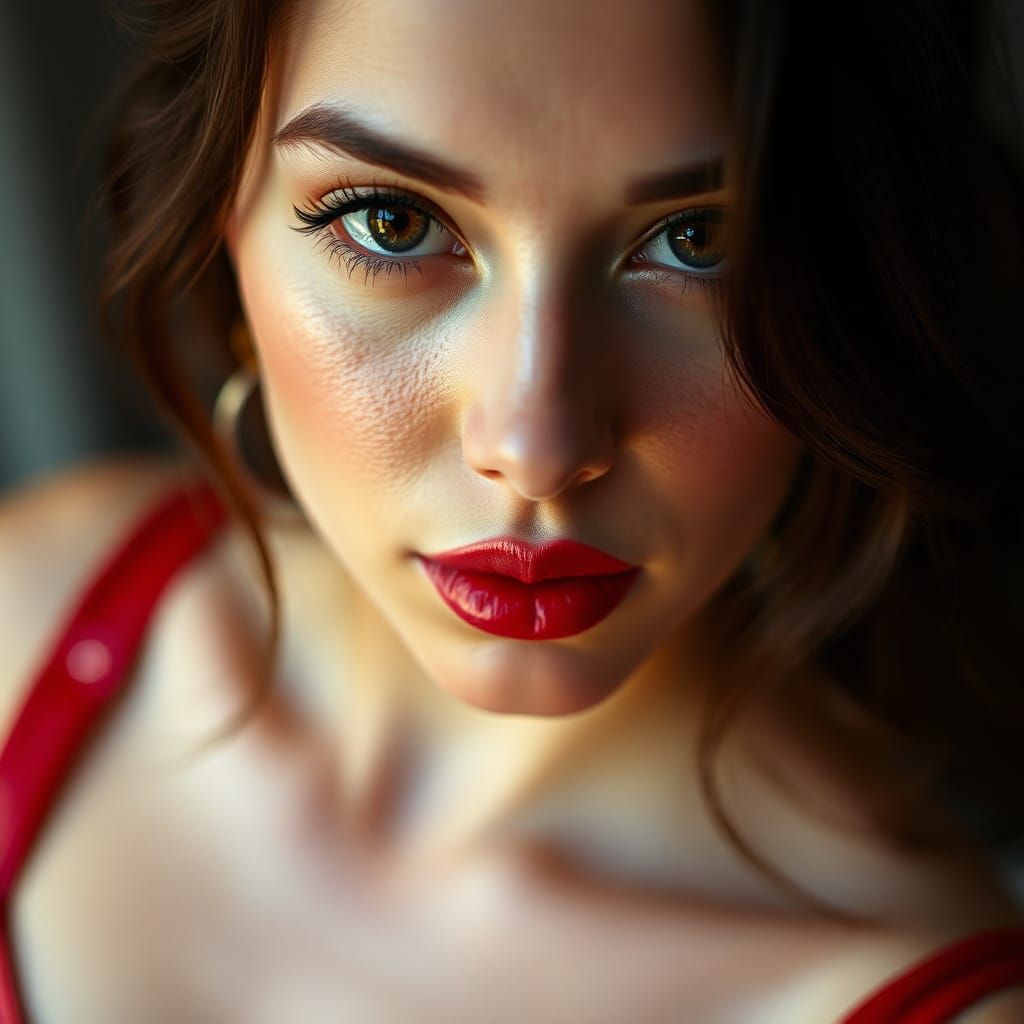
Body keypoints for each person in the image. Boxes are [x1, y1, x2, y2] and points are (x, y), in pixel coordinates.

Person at [1, 0, 1023, 1019]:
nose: (536, 446)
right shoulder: (31, 603)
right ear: (225, 213)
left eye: (699, 239)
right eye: (391, 222)